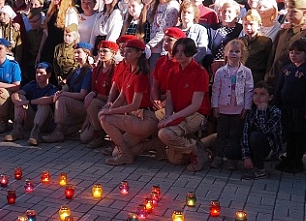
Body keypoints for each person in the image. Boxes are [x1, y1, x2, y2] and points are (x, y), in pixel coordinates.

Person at [98, 36, 157, 165]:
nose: (125, 53)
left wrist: (110, 112)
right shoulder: (128, 71)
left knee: (104, 118)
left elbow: (134, 105)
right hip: (135, 117)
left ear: (139, 54)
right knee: (115, 152)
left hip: (145, 118)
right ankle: (151, 145)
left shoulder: (141, 75)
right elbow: (122, 97)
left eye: (129, 51)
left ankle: (126, 155)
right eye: (125, 50)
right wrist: (109, 108)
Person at [157, 37, 211, 171]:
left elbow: (195, 105)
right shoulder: (173, 71)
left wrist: (171, 119)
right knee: (175, 160)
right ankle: (195, 143)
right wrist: (168, 116)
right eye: (177, 51)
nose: (179, 55)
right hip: (179, 113)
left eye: (184, 51)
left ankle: (197, 151)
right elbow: (169, 99)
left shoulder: (200, 72)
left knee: (165, 133)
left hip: (197, 114)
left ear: (191, 52)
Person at [274, 38, 306, 173]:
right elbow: (279, 88)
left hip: (300, 110)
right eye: (291, 52)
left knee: (298, 136)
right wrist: (276, 104)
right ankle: (288, 158)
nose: (293, 55)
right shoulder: (287, 69)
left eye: (298, 53)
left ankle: (296, 161)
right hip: (286, 109)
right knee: (288, 135)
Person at [211, 39, 254, 168]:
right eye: (231, 51)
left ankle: (232, 158)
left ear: (242, 54)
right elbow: (216, 89)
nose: (234, 54)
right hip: (223, 108)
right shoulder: (220, 72)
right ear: (225, 53)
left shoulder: (246, 72)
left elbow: (249, 90)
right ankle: (218, 156)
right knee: (222, 134)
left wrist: (246, 107)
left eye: (237, 51)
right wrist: (215, 106)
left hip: (238, 108)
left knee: (235, 135)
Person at [230, 81, 283, 180]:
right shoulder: (251, 111)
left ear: (270, 97)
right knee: (230, 150)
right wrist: (246, 156)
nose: (258, 97)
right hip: (253, 144)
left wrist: (261, 112)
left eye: (262, 94)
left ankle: (260, 169)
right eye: (255, 94)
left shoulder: (275, 112)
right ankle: (250, 161)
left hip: (269, 147)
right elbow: (245, 133)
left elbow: (266, 130)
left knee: (256, 136)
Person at [43, 42, 93, 142]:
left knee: (62, 100)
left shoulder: (88, 71)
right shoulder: (77, 69)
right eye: (74, 53)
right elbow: (68, 87)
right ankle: (72, 127)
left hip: (84, 106)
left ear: (87, 54)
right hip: (74, 105)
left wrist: (63, 94)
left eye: (79, 52)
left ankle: (58, 133)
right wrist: (63, 89)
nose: (75, 55)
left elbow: (82, 95)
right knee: (64, 130)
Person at [265, 0, 306, 85]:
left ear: (304, 13)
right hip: (276, 76)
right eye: (288, 11)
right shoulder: (283, 31)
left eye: (294, 12)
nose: (289, 15)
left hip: (295, 79)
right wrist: (268, 75)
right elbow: (273, 55)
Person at [82, 40, 123, 147]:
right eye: (100, 51)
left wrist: (94, 95)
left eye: (105, 51)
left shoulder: (116, 69)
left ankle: (108, 134)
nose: (101, 54)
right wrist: (88, 118)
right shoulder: (96, 70)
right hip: (100, 102)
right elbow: (93, 89)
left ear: (113, 53)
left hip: (112, 103)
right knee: (84, 137)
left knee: (93, 101)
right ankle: (98, 132)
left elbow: (116, 94)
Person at [4, 62, 57, 145]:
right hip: (30, 119)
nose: (38, 75)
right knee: (20, 97)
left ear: (48, 75)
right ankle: (17, 129)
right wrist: (19, 103)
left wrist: (27, 102)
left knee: (44, 105)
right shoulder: (32, 85)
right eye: (37, 73)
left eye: (41, 73)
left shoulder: (52, 88)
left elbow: (49, 100)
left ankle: (35, 133)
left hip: (44, 122)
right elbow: (15, 94)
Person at [38, 0, 79, 66]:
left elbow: (72, 36)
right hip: (48, 47)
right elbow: (46, 34)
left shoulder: (70, 12)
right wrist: (39, 52)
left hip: (61, 50)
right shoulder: (52, 11)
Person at [146, 0, 180, 72]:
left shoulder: (172, 5)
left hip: (162, 50)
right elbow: (149, 22)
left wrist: (149, 45)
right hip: (151, 49)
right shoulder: (154, 5)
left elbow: (165, 29)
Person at [239, 10, 273, 85]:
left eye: (251, 24)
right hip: (241, 77)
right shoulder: (239, 42)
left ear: (259, 25)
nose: (248, 27)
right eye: (245, 24)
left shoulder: (265, 42)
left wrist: (266, 79)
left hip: (257, 77)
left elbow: (269, 62)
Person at [178, 0, 209, 64]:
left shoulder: (201, 30)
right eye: (184, 12)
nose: (185, 15)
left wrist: (189, 62)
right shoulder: (175, 30)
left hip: (193, 65)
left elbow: (202, 50)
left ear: (194, 15)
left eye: (189, 13)